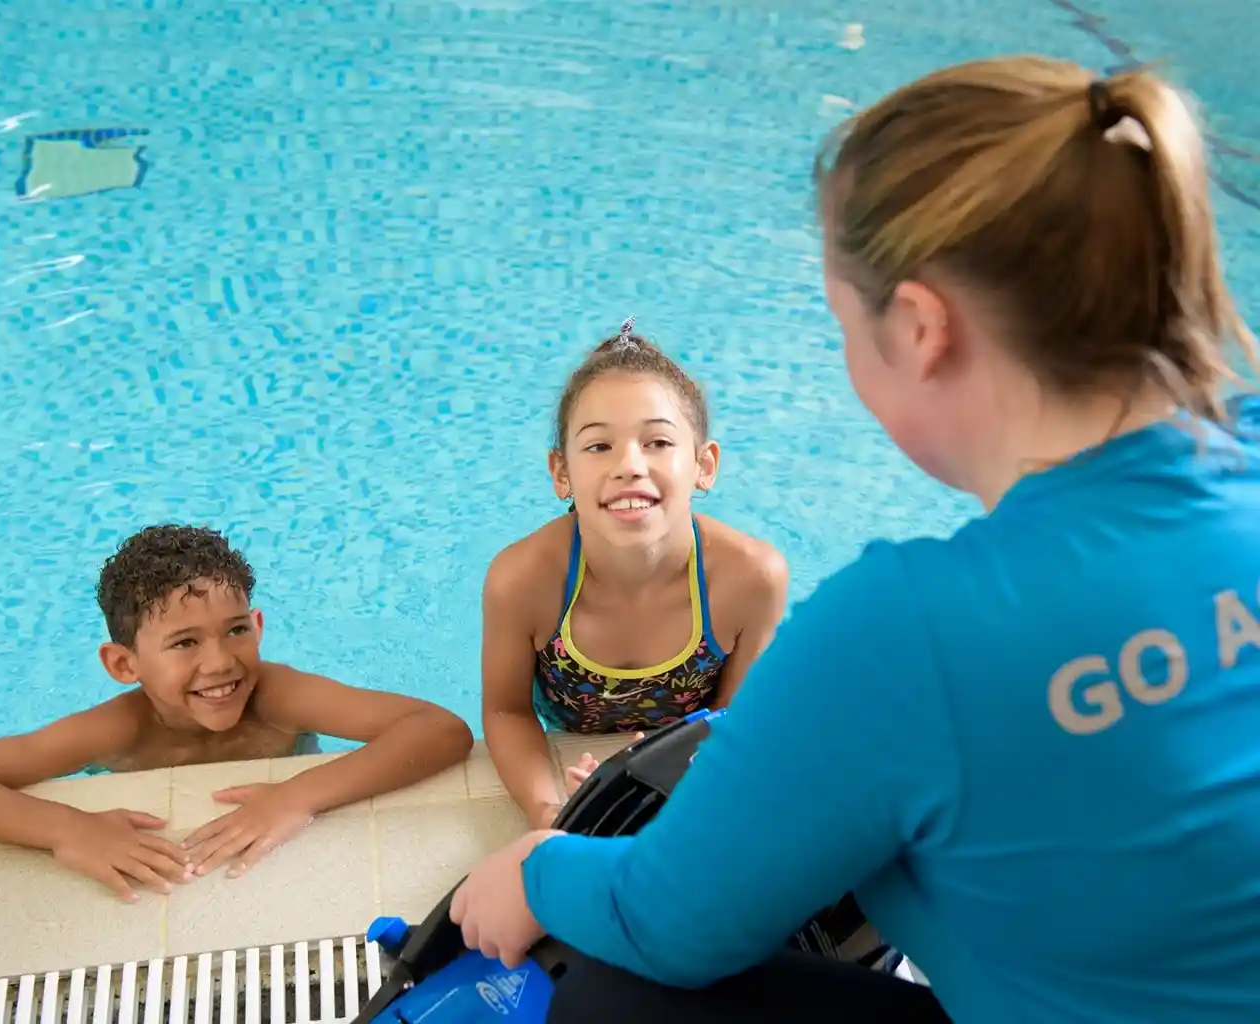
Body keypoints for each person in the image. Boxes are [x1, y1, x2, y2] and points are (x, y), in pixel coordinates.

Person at [447, 57, 1260, 1023]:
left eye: (845, 324)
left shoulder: (910, 628)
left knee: (610, 995)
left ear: (919, 328)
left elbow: (673, 920)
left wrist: (540, 870)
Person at [0, 524, 474, 901]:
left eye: (236, 630)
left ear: (257, 626)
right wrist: (68, 830)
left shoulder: (276, 698)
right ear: (124, 664)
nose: (219, 663)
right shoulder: (119, 731)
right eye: (185, 642)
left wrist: (297, 797)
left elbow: (441, 730)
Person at [481, 319, 790, 829]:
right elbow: (506, 713)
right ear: (562, 474)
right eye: (599, 446)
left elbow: (738, 722)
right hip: (568, 728)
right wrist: (551, 812)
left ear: (704, 465)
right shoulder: (524, 580)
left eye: (658, 443)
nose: (629, 465)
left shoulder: (750, 578)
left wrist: (661, 768)